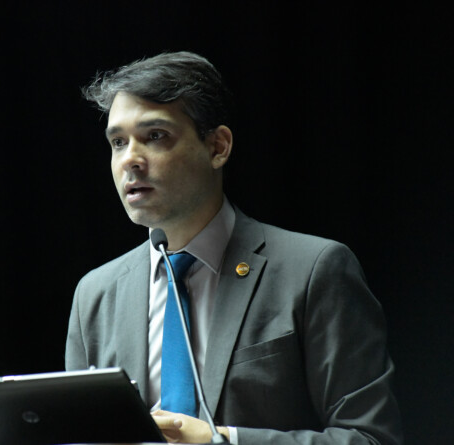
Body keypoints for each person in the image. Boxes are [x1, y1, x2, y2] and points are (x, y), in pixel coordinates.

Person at [65, 51, 402, 444]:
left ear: (217, 147)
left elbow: (370, 438)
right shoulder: (95, 294)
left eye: (155, 136)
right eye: (118, 142)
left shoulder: (314, 270)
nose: (130, 160)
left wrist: (224, 440)